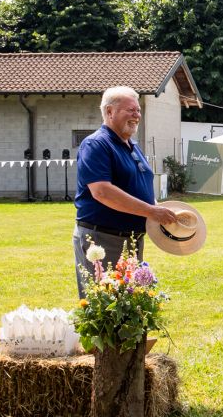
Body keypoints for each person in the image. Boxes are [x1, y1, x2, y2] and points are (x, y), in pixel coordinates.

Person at [73, 87, 178, 295]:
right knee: (105, 306)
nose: (137, 115)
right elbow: (102, 191)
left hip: (131, 240)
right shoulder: (96, 144)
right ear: (109, 111)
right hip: (103, 240)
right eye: (130, 110)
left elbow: (137, 186)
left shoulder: (132, 146)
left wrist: (157, 208)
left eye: (138, 110)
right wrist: (151, 211)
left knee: (131, 306)